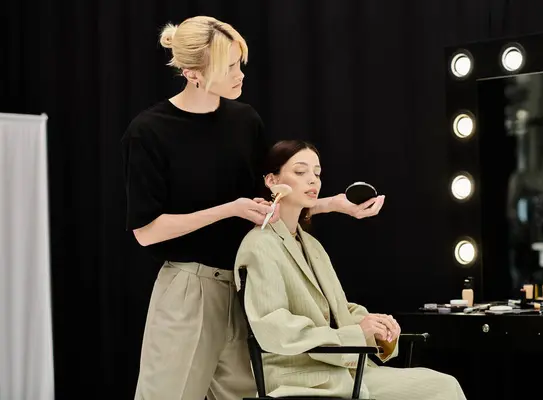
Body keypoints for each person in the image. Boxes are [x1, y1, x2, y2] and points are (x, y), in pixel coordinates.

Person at [121, 16, 385, 400]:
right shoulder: (149, 132)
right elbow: (146, 231)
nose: (240, 74)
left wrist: (334, 205)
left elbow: (269, 203)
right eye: (229, 67)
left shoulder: (244, 121)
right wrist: (227, 209)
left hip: (249, 288)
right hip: (189, 291)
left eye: (240, 62)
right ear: (193, 73)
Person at [234, 140, 467, 400]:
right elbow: (274, 327)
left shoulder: (310, 245)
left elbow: (338, 309)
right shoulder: (259, 245)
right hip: (303, 377)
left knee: (443, 384)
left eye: (317, 173)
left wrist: (376, 326)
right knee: (442, 388)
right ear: (271, 180)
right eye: (301, 172)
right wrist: (358, 332)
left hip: (345, 372)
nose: (313, 180)